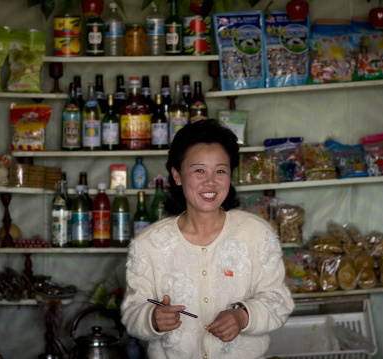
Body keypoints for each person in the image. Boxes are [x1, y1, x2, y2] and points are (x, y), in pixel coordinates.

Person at [121, 119, 294, 358]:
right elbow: (131, 313)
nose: (210, 181)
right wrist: (152, 318)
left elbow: (279, 300)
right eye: (199, 170)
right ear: (177, 175)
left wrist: (243, 316)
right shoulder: (149, 244)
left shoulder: (256, 234)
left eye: (220, 171)